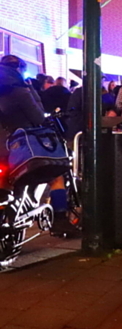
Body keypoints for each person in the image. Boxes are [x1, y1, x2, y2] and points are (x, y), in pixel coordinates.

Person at [0, 56, 75, 236]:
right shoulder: (21, 91)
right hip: (18, 145)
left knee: (8, 182)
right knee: (55, 174)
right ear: (18, 69)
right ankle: (60, 220)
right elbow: (38, 118)